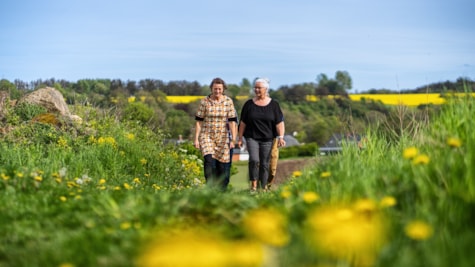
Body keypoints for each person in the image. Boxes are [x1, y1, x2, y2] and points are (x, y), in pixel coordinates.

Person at [237, 78, 285, 192]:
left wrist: (281, 137)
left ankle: (263, 188)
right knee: (254, 160)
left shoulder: (274, 105)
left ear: (266, 89)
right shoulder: (249, 104)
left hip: (268, 139)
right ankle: (253, 186)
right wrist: (239, 138)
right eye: (255, 88)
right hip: (252, 137)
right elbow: (243, 123)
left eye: (259, 88)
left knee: (264, 163)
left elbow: (279, 123)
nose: (257, 90)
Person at [194, 78, 237, 189]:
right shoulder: (204, 102)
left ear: (223, 89)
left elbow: (232, 122)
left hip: (223, 137)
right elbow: (199, 121)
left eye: (219, 89)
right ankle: (210, 185)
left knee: (222, 168)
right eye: (215, 89)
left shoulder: (228, 102)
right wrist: (196, 139)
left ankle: (221, 191)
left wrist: (233, 139)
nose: (217, 91)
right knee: (209, 161)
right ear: (211, 89)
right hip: (207, 135)